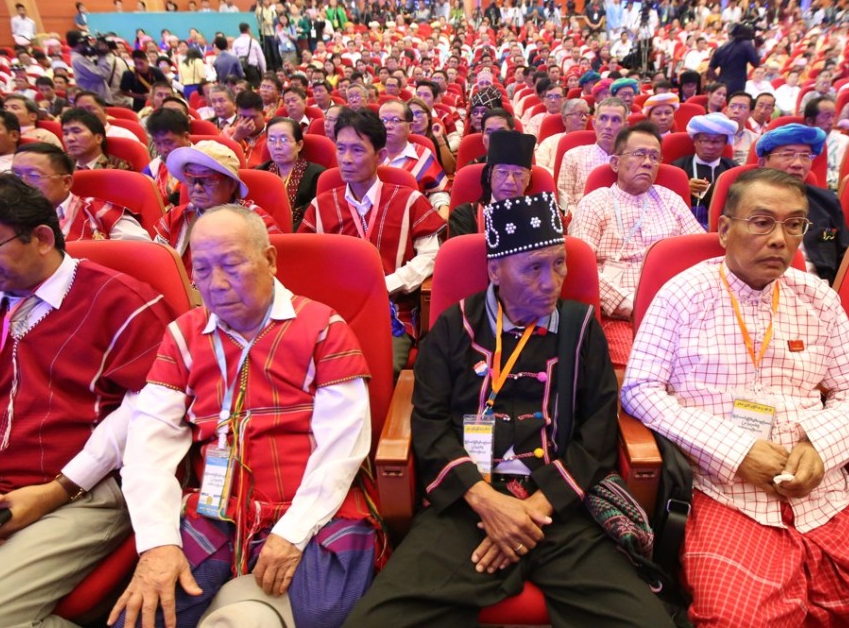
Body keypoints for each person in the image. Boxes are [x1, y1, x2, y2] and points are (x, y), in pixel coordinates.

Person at [623, 167, 849, 628]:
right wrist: (734, 450)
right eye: (761, 222)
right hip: (723, 490)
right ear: (724, 229)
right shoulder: (682, 294)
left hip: (825, 490)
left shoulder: (816, 297)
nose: (780, 239)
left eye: (794, 224)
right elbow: (641, 390)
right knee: (738, 619)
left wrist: (819, 446)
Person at [345, 191, 673, 628]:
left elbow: (596, 431)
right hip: (467, 503)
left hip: (558, 507)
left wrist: (533, 508)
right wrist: (487, 503)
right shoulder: (454, 326)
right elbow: (429, 421)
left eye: (558, 263)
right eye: (533, 267)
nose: (551, 281)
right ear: (495, 270)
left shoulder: (580, 328)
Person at [109, 205, 376, 628]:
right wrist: (158, 543)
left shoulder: (322, 327)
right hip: (219, 505)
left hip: (312, 498)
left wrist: (292, 531)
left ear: (270, 259)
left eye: (231, 265)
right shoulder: (182, 336)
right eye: (201, 269)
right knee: (147, 616)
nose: (215, 284)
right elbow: (149, 447)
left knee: (329, 614)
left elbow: (342, 448)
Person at [0, 173, 170, 627]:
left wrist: (55, 492)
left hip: (80, 490)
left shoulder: (121, 300)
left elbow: (147, 408)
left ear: (42, 238)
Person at [299, 108, 443, 374]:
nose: (346, 159)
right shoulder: (321, 206)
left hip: (391, 313)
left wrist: (386, 284)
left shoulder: (409, 200)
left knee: (379, 370)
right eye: (341, 149)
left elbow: (431, 255)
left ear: (381, 155)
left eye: (357, 150)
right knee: (308, 370)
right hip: (332, 313)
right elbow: (307, 267)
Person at [570, 122, 704, 364]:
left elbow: (699, 257)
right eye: (639, 154)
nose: (648, 162)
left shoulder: (669, 200)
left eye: (654, 156)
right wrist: (629, 304)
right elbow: (582, 269)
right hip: (619, 315)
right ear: (615, 163)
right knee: (636, 367)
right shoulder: (595, 203)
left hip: (675, 310)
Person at [153, 141, 281, 272]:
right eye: (191, 178)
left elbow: (270, 275)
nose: (197, 187)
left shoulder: (258, 222)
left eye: (208, 179)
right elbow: (156, 268)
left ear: (231, 185)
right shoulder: (175, 218)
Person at [754, 124, 849, 284]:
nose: (798, 163)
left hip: (822, 288)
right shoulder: (744, 200)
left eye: (806, 155)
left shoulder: (826, 201)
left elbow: (842, 249)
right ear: (763, 162)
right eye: (788, 154)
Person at [13, 142, 150, 241]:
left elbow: (143, 256)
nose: (21, 182)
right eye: (15, 175)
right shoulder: (3, 216)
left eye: (34, 175)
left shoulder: (99, 213)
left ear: (66, 182)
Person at [449, 129, 537, 237]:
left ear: (529, 178)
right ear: (490, 174)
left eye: (518, 173)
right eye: (502, 172)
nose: (510, 181)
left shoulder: (541, 216)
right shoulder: (466, 216)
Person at [378, 100, 449, 219]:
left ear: (410, 127)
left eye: (395, 120)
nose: (387, 126)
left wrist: (443, 211)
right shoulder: (367, 155)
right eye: (383, 121)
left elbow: (437, 192)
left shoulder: (422, 155)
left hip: (411, 220)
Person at [557, 97, 627, 216]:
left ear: (625, 126)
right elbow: (565, 201)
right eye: (603, 118)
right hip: (581, 221)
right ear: (594, 123)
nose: (608, 126)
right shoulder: (573, 156)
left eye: (615, 120)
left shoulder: (631, 161)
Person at [670, 113, 738, 229]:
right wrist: (683, 190)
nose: (710, 146)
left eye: (716, 142)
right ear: (695, 141)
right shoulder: (677, 167)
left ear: (725, 143)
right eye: (705, 140)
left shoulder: (733, 170)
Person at [257, 117, 324, 230]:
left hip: (300, 236)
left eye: (284, 140)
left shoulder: (317, 175)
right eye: (271, 140)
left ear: (299, 145)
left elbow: (313, 217)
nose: (277, 146)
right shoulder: (260, 173)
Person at [144, 107, 192, 204]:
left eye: (168, 142)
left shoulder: (204, 164)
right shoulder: (154, 167)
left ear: (186, 137)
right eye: (158, 143)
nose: (163, 149)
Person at [60, 108, 133, 171]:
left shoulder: (119, 168)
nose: (69, 138)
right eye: (65, 133)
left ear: (98, 138)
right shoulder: (60, 164)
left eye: (77, 131)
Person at [802, 96, 849, 190]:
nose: (831, 122)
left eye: (833, 116)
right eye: (826, 116)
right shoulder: (799, 143)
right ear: (809, 121)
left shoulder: (844, 141)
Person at [74, 92, 140, 142]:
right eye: (80, 110)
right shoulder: (73, 139)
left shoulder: (124, 136)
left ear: (105, 111)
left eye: (90, 108)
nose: (85, 113)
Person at [725, 92, 759, 166]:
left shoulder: (756, 140)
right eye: (732, 106)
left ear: (751, 113)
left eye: (742, 107)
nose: (736, 111)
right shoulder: (714, 135)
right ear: (726, 110)